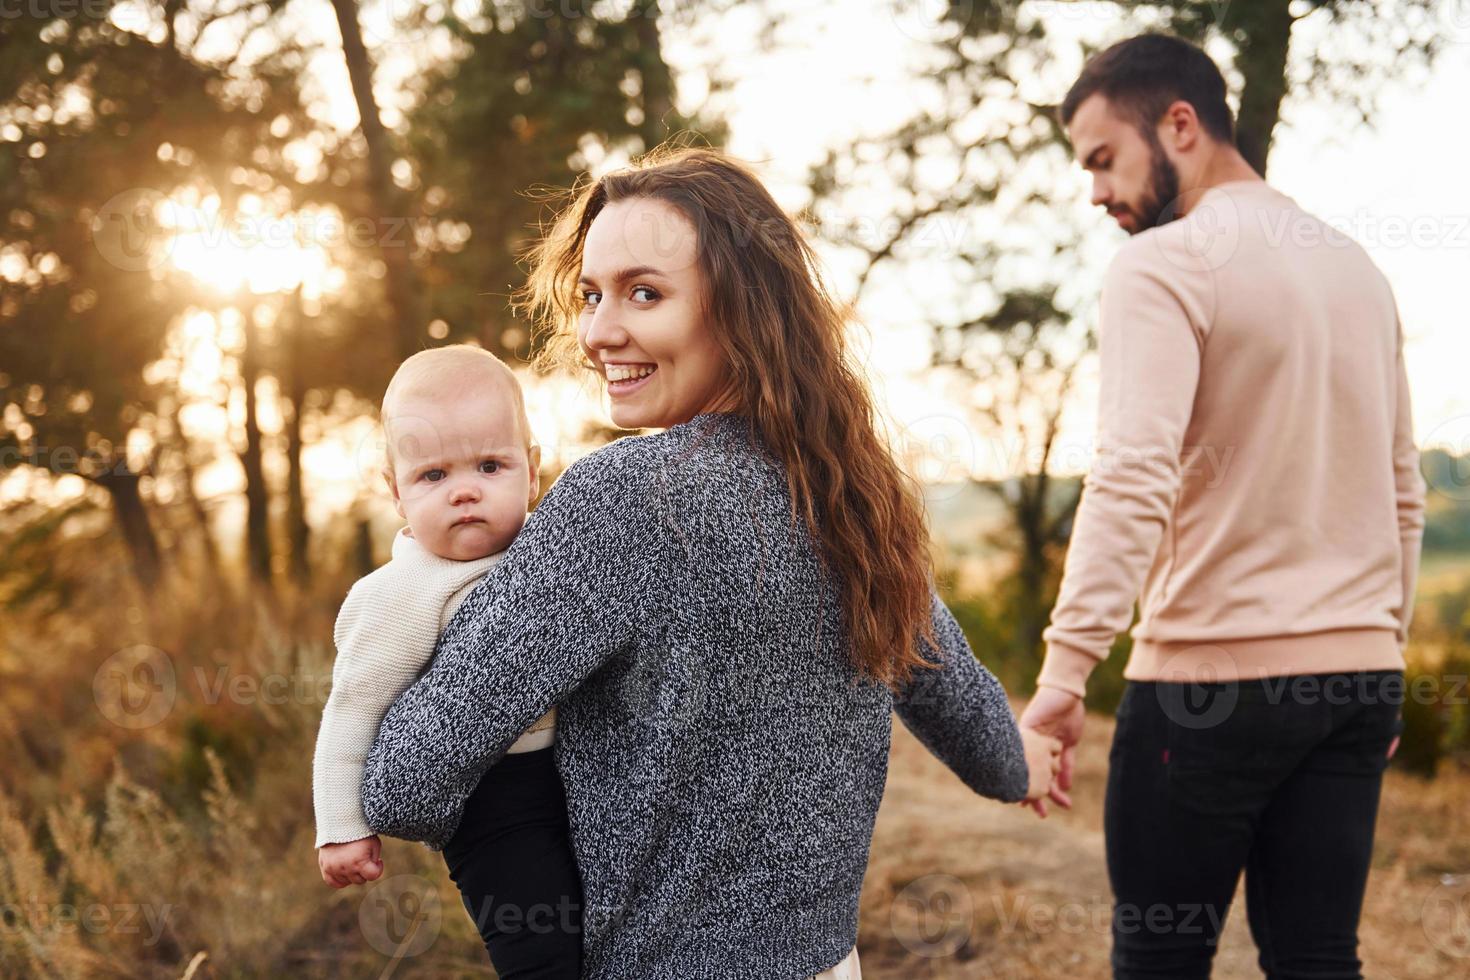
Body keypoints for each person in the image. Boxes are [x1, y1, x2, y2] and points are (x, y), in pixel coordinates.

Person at [359, 146, 1063, 979]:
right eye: (590, 295)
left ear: (739, 311)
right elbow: (952, 697)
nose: (597, 332)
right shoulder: (852, 494)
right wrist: (1025, 759)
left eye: (644, 294)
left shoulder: (623, 501)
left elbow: (405, 782)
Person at [1017, 33, 1426, 980]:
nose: (1095, 192)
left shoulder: (1163, 265)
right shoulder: (1359, 270)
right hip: (1355, 683)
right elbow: (1403, 491)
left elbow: (1131, 477)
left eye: (1101, 159)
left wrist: (1066, 673)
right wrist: (1384, 651)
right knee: (1321, 958)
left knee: (1160, 960)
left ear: (1180, 124)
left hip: (1210, 688)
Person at [312, 345, 578, 977]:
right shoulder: (397, 595)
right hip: (492, 801)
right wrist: (341, 825)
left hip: (580, 773)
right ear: (396, 492)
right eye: (433, 476)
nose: (464, 492)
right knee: (543, 951)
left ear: (531, 471)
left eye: (490, 466)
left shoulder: (554, 554)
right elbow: (352, 710)